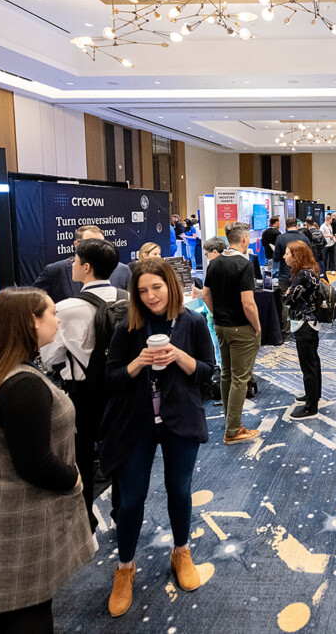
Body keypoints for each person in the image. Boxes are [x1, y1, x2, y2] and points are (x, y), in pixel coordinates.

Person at [0, 288, 93, 632]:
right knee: (28, 616)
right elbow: (34, 464)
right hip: (23, 521)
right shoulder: (22, 385)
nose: (58, 319)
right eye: (51, 313)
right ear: (32, 322)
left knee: (8, 611)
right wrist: (74, 480)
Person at [101, 258, 216, 616]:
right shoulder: (127, 327)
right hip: (135, 423)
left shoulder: (193, 322)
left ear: (170, 285)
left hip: (180, 419)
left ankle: (181, 550)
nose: (151, 296)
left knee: (179, 490)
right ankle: (125, 567)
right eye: (143, 290)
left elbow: (208, 372)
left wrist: (180, 356)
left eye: (157, 287)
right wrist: (139, 362)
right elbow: (110, 379)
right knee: (131, 498)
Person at [39, 238, 126, 532]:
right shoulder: (128, 298)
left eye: (75, 261)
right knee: (121, 453)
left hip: (83, 393)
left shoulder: (65, 309)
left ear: (86, 267)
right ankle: (120, 511)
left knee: (82, 457)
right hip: (123, 388)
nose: (73, 265)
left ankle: (84, 516)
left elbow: (51, 356)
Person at [201, 222, 262, 446]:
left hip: (221, 326)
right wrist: (257, 326)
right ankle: (233, 430)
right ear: (245, 238)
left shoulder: (214, 263)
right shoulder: (244, 265)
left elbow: (206, 295)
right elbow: (248, 304)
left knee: (227, 374)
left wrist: (219, 314)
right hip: (241, 328)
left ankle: (230, 422)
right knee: (240, 378)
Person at [279, 240, 324, 419]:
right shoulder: (311, 271)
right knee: (313, 361)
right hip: (311, 322)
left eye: (287, 253)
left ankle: (310, 407)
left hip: (304, 323)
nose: (284, 256)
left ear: (296, 256)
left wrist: (287, 294)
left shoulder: (302, 275)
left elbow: (288, 301)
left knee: (308, 364)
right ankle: (313, 395)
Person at [34, 225, 131, 302]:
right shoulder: (56, 270)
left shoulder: (122, 270)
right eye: (91, 243)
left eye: (101, 243)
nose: (97, 248)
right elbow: (33, 300)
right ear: (76, 245)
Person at [273, 218, 306, 340]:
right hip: (301, 276)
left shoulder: (280, 238)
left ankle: (286, 333)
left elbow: (276, 258)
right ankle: (301, 330)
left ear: (286, 226)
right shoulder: (304, 239)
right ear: (297, 226)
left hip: (284, 275)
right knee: (302, 301)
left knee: (285, 304)